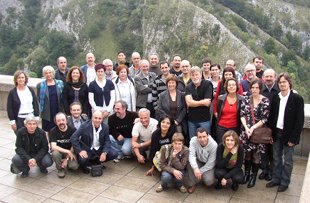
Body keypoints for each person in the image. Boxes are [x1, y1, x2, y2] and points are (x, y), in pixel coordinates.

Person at [266, 73, 304, 192]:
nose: (282, 84)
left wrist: (294, 138)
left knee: (288, 161)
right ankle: (276, 179)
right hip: (277, 132)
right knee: (276, 158)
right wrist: (271, 134)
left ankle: (285, 182)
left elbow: (299, 120)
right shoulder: (276, 97)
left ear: (289, 83)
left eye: (284, 82)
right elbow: (271, 117)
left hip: (289, 134)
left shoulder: (297, 98)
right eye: (280, 82)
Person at [240, 78, 270, 188]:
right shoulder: (246, 99)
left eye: (257, 88)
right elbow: (242, 115)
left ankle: (253, 176)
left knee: (256, 155)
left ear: (260, 88)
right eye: (253, 87)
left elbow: (264, 119)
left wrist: (252, 128)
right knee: (247, 154)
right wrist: (246, 128)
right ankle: (246, 174)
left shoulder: (265, 101)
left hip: (258, 132)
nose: (254, 90)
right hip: (246, 131)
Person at [259, 68, 279, 181]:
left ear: (275, 77)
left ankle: (272, 171)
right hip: (262, 125)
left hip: (275, 125)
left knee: (273, 151)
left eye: (271, 76)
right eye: (266, 76)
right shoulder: (260, 90)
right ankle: (264, 170)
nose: (269, 78)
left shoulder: (279, 90)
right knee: (263, 150)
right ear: (263, 78)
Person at [185, 127, 217, 193]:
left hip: (208, 164)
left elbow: (211, 163)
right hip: (198, 160)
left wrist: (200, 171)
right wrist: (195, 168)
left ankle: (200, 177)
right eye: (200, 137)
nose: (202, 139)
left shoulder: (214, 145)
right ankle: (192, 184)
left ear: (208, 136)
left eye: (204, 136)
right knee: (190, 162)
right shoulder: (193, 140)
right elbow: (192, 155)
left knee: (209, 181)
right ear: (197, 137)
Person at [185, 66, 213, 138]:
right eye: (192, 75)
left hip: (204, 120)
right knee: (193, 141)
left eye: (196, 74)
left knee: (206, 140)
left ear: (201, 74)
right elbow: (188, 103)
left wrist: (193, 102)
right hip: (191, 120)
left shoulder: (207, 84)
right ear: (190, 76)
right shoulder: (188, 87)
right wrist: (202, 102)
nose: (195, 77)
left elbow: (207, 103)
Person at [50, 112, 79, 178]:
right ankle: (60, 169)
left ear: (66, 120)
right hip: (59, 151)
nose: (61, 122)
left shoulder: (73, 130)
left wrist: (67, 159)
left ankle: (67, 164)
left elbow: (74, 145)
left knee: (74, 166)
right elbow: (53, 146)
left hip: (70, 152)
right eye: (58, 121)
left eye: (63, 120)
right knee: (55, 153)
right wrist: (67, 151)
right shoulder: (53, 131)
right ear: (56, 122)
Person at [37, 65, 64, 132]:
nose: (48, 75)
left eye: (50, 72)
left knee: (59, 128)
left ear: (53, 73)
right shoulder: (40, 85)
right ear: (44, 74)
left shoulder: (60, 83)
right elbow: (39, 99)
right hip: (46, 112)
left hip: (58, 109)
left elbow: (63, 96)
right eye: (46, 73)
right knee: (47, 130)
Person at [216, 78, 243, 143]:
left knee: (233, 147)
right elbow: (218, 111)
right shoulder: (221, 98)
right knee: (221, 146)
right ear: (226, 87)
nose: (231, 86)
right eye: (229, 85)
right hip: (221, 127)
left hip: (235, 128)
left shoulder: (241, 99)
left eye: (233, 85)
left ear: (236, 86)